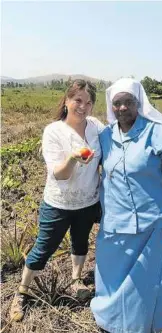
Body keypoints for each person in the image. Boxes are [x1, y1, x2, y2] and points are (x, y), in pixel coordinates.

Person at [91, 78, 162, 333]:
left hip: (151, 223)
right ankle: (112, 319)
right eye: (117, 103)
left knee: (145, 281)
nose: (122, 108)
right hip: (115, 220)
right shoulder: (105, 136)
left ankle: (142, 323)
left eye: (128, 102)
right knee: (112, 274)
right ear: (111, 106)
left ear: (139, 103)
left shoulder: (160, 133)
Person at [10, 79, 104, 321]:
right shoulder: (53, 131)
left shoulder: (96, 127)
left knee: (81, 242)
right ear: (66, 101)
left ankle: (76, 279)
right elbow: (59, 174)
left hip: (88, 201)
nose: (83, 107)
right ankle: (22, 292)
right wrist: (73, 157)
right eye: (78, 100)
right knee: (44, 248)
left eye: (88, 102)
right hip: (59, 203)